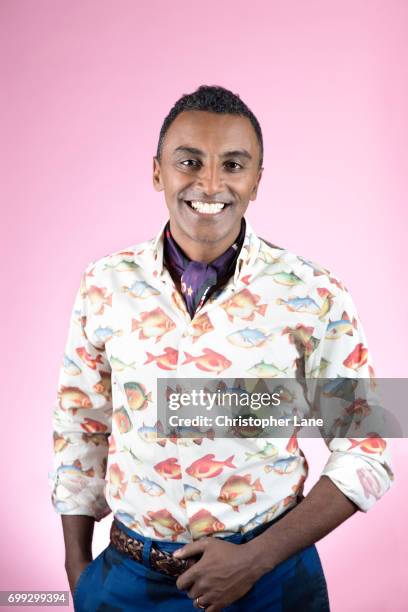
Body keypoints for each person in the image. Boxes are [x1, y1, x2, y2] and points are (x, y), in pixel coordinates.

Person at [50, 85, 394, 612]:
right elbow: (81, 425)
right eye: (189, 161)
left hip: (272, 582)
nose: (210, 183)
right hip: (128, 580)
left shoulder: (316, 291)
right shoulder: (103, 283)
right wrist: (77, 572)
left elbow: (369, 446)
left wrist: (255, 560)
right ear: (157, 171)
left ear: (256, 181)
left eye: (233, 165)